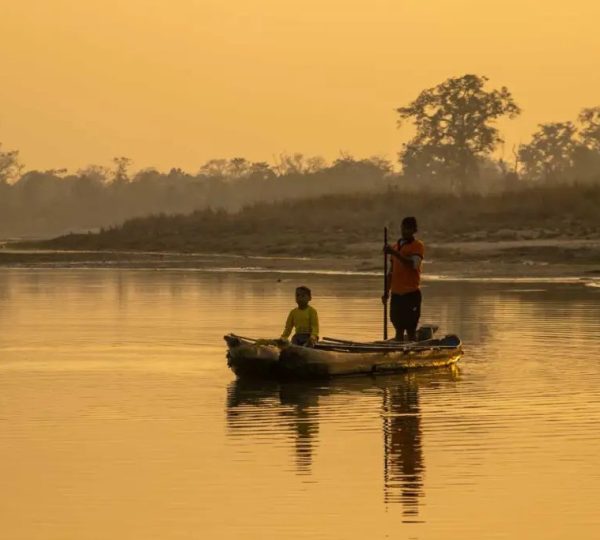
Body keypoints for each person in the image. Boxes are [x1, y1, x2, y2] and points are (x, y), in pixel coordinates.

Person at [382, 217, 424, 342]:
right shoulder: (395, 247)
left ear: (414, 230)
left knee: (411, 330)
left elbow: (413, 264)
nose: (405, 231)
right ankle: (398, 354)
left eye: (408, 228)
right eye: (403, 228)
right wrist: (386, 292)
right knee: (398, 329)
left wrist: (394, 254)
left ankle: (412, 354)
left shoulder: (417, 246)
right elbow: (391, 272)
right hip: (397, 295)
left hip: (411, 295)